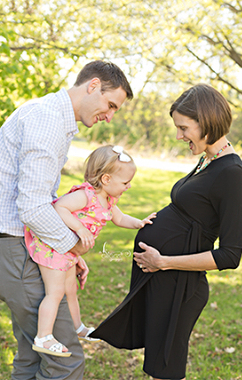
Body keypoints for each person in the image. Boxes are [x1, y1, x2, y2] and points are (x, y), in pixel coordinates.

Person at [90, 84, 242, 380]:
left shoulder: (232, 172)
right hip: (164, 281)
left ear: (207, 122)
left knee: (165, 368)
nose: (178, 136)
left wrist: (164, 261)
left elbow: (230, 254)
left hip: (180, 286)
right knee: (156, 368)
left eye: (183, 128)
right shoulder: (207, 160)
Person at [0, 60, 132, 379]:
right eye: (110, 104)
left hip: (24, 244)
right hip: (18, 245)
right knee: (66, 361)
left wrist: (65, 253)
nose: (110, 115)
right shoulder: (47, 121)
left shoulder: (51, 116)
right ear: (92, 85)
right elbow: (33, 207)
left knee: (31, 355)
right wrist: (71, 248)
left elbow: (43, 198)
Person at [26, 145, 156, 357]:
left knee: (70, 290)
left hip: (68, 251)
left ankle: (78, 327)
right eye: (125, 182)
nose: (129, 186)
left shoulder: (108, 200)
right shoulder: (86, 196)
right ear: (106, 179)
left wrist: (140, 223)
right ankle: (43, 336)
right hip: (53, 248)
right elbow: (59, 207)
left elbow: (121, 219)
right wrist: (79, 228)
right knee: (56, 292)